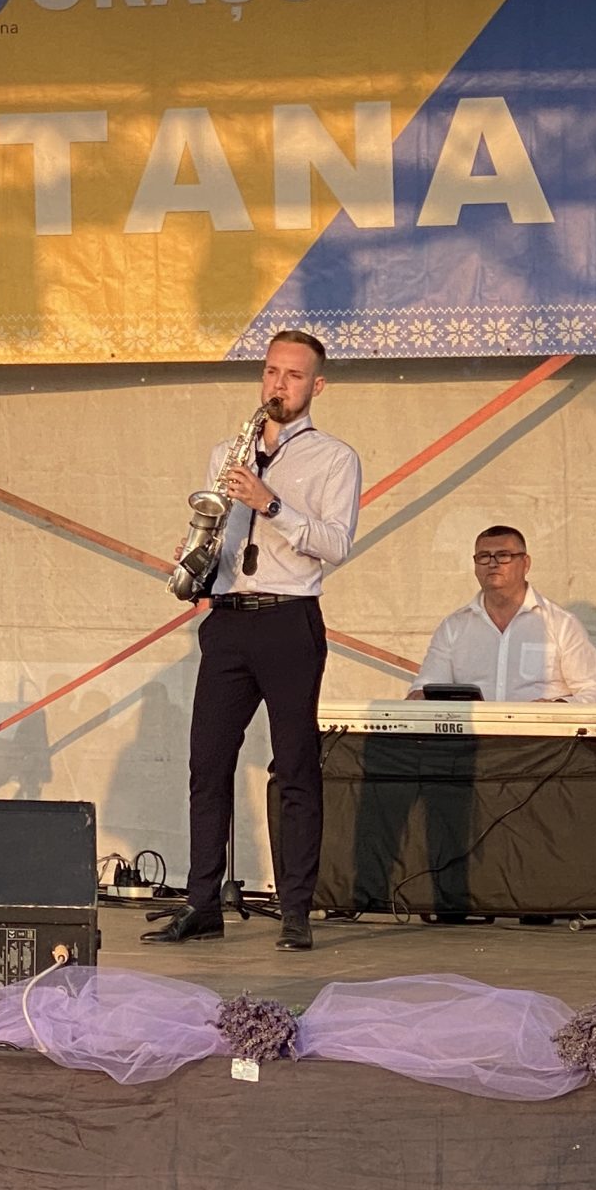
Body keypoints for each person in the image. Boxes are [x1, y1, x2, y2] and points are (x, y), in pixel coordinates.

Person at [145, 329, 362, 954]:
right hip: (229, 620)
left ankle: (296, 910)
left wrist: (271, 504)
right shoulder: (228, 451)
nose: (278, 385)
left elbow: (335, 543)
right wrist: (197, 559)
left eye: (293, 375)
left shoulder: (335, 458)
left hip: (290, 619)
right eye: (271, 371)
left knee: (295, 767)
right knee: (207, 764)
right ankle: (201, 904)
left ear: (317, 386)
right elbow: (217, 533)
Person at [409, 527, 596, 703]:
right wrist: (417, 699)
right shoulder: (454, 627)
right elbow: (426, 688)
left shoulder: (561, 624)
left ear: (525, 563)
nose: (493, 563)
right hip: (473, 736)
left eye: (503, 555)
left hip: (543, 735)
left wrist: (558, 706)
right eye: (484, 556)